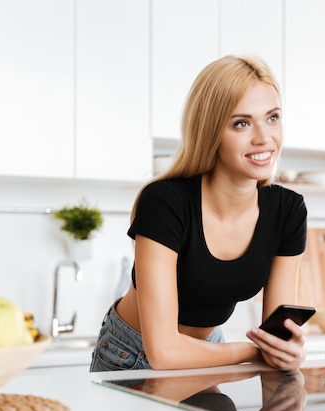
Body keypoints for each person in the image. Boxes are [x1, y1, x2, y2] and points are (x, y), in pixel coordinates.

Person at [90, 55, 308, 372]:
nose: (264, 137)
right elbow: (163, 352)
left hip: (210, 352)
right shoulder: (166, 202)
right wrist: (253, 351)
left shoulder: (288, 210)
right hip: (131, 355)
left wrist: (288, 351)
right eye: (241, 123)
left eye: (272, 118)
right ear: (210, 131)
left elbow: (278, 334)